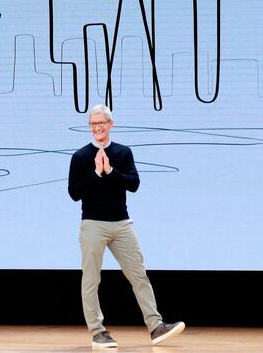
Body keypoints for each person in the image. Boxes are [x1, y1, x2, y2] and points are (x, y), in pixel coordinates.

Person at [68, 104, 185, 349]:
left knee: (138, 275)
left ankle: (156, 326)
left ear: (111, 124)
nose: (97, 128)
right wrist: (97, 174)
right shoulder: (80, 157)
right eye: (93, 124)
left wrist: (110, 171)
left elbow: (133, 184)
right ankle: (98, 332)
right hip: (93, 225)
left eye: (101, 123)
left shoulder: (123, 152)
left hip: (122, 223)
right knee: (91, 279)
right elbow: (74, 193)